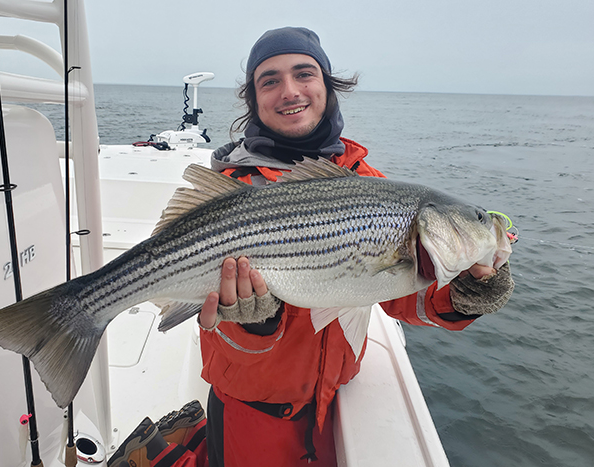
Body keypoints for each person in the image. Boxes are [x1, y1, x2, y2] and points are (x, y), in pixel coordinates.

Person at [110, 26, 514, 467]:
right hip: (249, 410)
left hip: (331, 402)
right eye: (270, 80)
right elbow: (218, 330)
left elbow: (399, 298)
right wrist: (254, 324)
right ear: (254, 100)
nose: (289, 91)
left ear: (326, 85)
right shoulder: (233, 189)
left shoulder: (369, 183)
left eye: (304, 73)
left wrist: (464, 295)